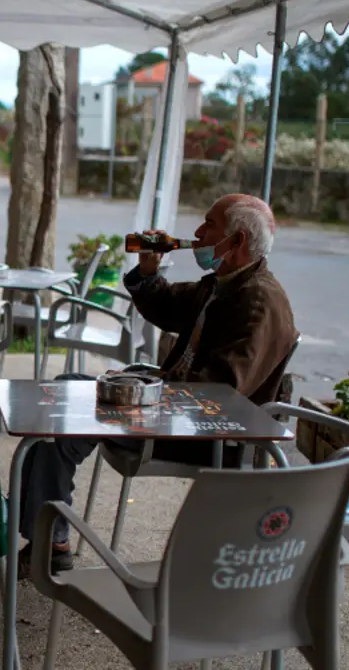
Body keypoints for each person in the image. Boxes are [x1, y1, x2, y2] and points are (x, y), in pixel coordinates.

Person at [17, 193, 297, 576]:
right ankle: (46, 533)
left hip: (201, 434)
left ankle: (46, 537)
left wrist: (146, 388)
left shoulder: (259, 303)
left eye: (209, 224)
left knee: (61, 419)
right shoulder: (223, 284)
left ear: (237, 242)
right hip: (170, 410)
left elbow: (220, 392)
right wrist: (149, 270)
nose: (197, 232)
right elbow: (166, 305)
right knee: (61, 399)